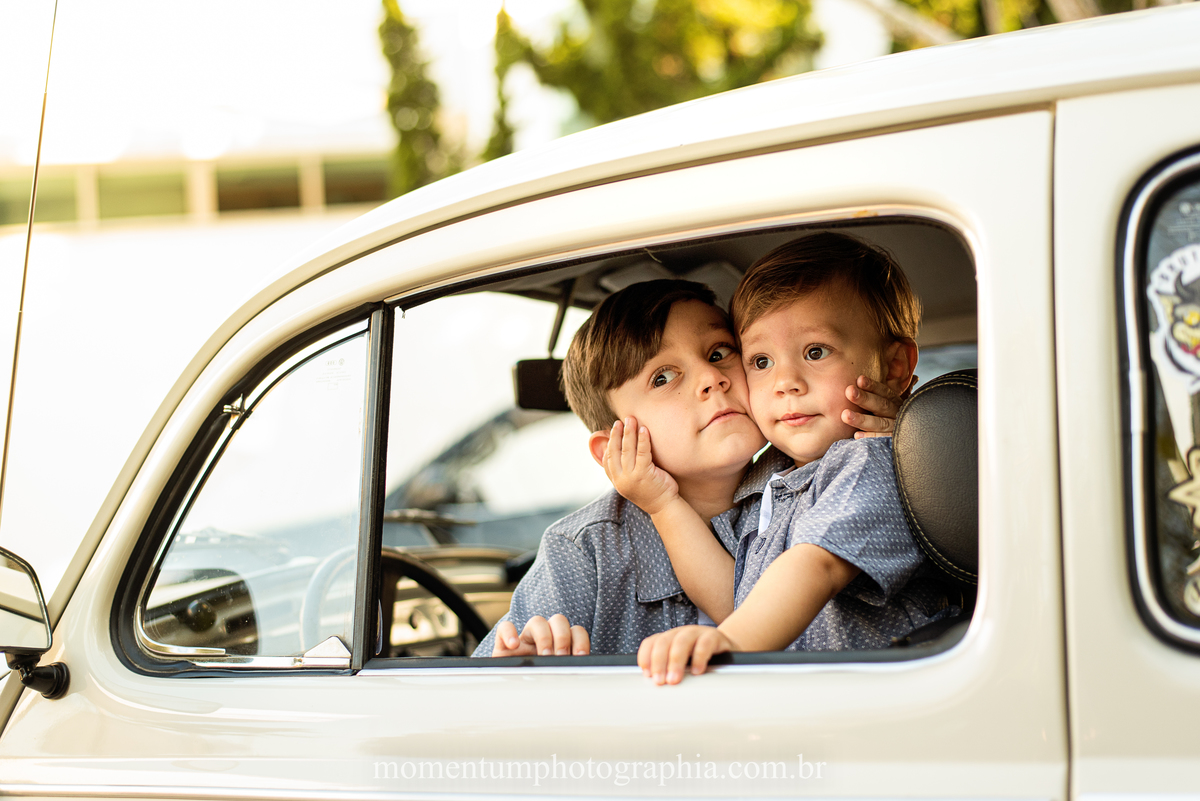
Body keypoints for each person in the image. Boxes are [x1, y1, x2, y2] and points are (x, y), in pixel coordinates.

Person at [472, 272, 906, 657]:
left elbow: (749, 604)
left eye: (719, 353)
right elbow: (487, 683)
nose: (710, 378)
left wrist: (906, 431)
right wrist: (517, 666)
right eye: (662, 377)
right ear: (612, 450)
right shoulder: (587, 549)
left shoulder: (804, 483)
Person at [616, 232, 955, 684]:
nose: (785, 382)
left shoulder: (870, 462)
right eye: (761, 362)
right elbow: (737, 602)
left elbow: (818, 566)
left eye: (815, 352)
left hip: (871, 701)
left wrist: (732, 642)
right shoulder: (774, 478)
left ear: (894, 368)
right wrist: (663, 505)